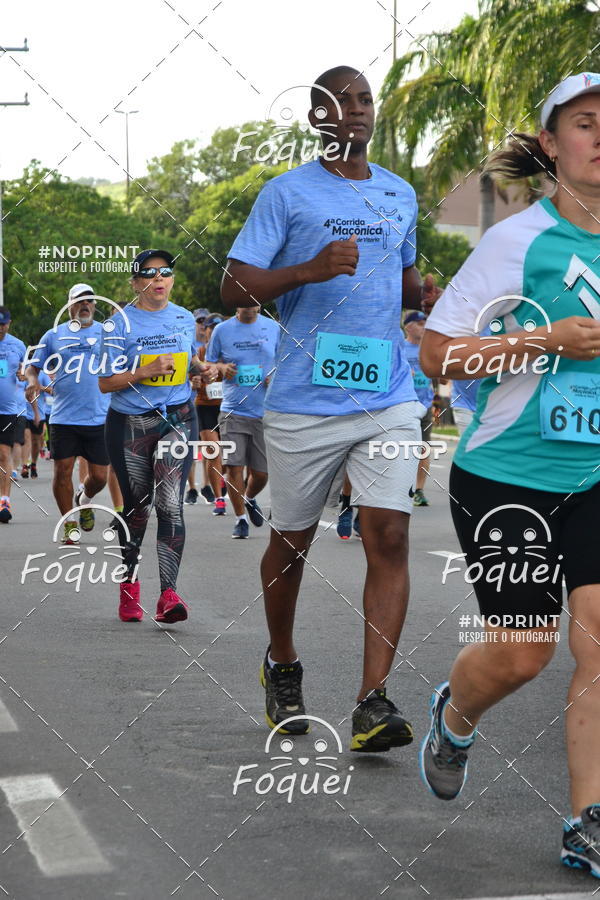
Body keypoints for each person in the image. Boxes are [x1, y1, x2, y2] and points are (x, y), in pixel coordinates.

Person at [221, 66, 439, 745]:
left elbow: (403, 281)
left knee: (391, 535)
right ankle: (282, 662)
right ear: (316, 117)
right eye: (338, 100)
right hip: (303, 401)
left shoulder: (400, 194)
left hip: (387, 394)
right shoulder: (285, 194)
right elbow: (233, 285)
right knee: (291, 543)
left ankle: (373, 701)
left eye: (364, 98)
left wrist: (423, 293)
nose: (354, 109)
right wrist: (306, 270)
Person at [419, 73, 600, 878]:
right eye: (588, 123)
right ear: (554, 144)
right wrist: (546, 342)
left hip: (595, 474)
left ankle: (586, 821)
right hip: (506, 476)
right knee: (523, 653)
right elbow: (438, 354)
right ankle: (455, 715)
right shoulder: (513, 243)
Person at [99, 249, 217, 623]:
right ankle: (130, 585)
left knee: (169, 502)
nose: (159, 279)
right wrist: (146, 369)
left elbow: (187, 359)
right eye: (149, 274)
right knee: (138, 509)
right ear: (135, 284)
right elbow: (106, 382)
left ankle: (168, 594)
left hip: (178, 418)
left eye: (165, 272)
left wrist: (204, 369)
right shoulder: (118, 325)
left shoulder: (183, 317)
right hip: (131, 423)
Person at [26, 284, 110, 544]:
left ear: (94, 305)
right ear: (69, 305)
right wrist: (32, 381)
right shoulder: (53, 335)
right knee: (62, 471)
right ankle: (70, 523)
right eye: (79, 301)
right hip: (64, 417)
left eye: (89, 301)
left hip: (99, 416)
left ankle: (83, 499)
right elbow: (33, 366)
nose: (85, 305)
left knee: (99, 477)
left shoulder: (107, 333)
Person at [206, 306, 279, 538]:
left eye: (252, 300)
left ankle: (248, 498)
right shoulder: (222, 330)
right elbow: (208, 364)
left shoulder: (273, 327)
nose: (248, 305)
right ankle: (240, 520)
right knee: (234, 467)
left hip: (264, 412)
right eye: (243, 300)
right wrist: (221, 368)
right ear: (236, 304)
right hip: (233, 411)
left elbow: (286, 360)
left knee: (261, 474)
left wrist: (275, 376)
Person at [193, 314, 227, 514]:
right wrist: (194, 383)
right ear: (205, 331)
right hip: (205, 407)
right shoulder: (199, 353)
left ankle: (226, 483)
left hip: (229, 408)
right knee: (213, 451)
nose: (214, 331)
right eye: (211, 328)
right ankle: (219, 499)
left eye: (218, 328)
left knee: (231, 458)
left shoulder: (231, 353)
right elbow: (187, 380)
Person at [403, 310, 434, 506]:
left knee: (424, 448)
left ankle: (419, 490)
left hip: (425, 404)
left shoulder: (429, 348)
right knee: (400, 450)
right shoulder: (400, 348)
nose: (424, 326)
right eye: (420, 323)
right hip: (405, 404)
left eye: (425, 322)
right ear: (408, 326)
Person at [0, 307, 27, 523]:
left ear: (9, 323)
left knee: (3, 454)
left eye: (3, 324)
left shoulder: (17, 345)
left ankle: (4, 500)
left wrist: (23, 374)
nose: (0, 328)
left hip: (7, 409)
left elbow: (26, 372)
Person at [184, 308, 211, 505]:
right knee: (190, 447)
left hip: (208, 400)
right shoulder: (188, 343)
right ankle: (191, 488)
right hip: (188, 399)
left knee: (209, 446)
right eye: (199, 321)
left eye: (205, 321)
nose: (202, 324)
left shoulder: (212, 345)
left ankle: (207, 485)